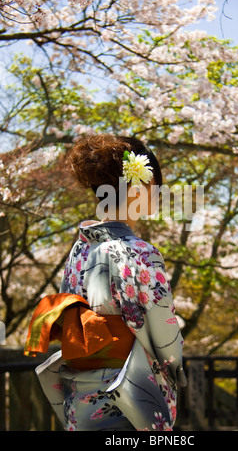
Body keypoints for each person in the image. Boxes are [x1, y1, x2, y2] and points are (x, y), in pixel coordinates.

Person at [24, 133, 187, 431]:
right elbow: (164, 333)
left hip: (80, 393)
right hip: (127, 391)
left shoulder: (79, 249)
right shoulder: (141, 253)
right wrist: (176, 364)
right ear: (142, 188)